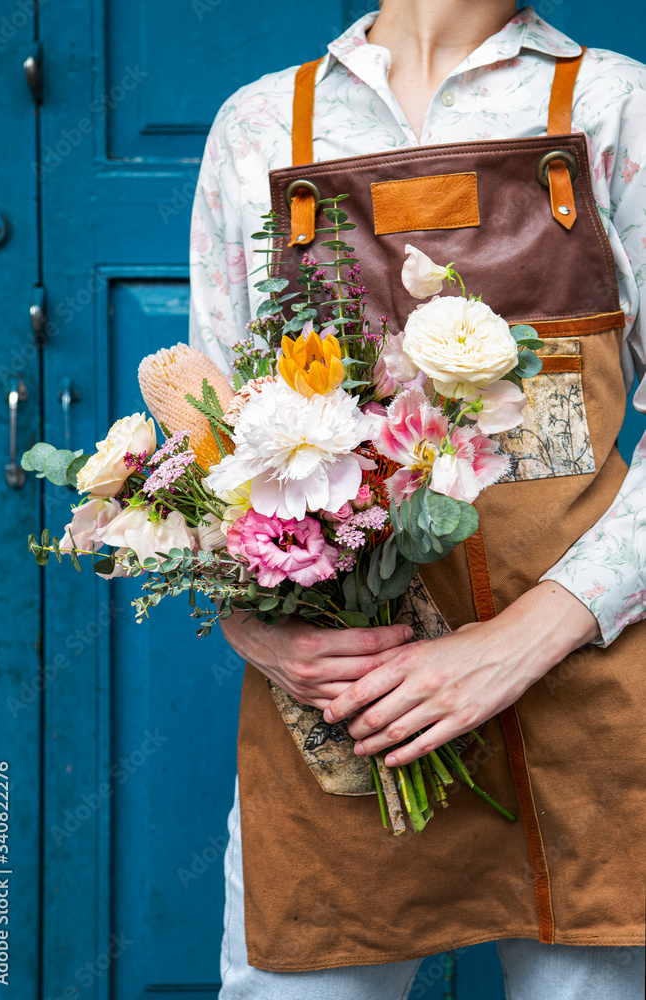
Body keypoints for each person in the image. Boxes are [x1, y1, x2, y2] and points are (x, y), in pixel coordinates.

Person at [189, 3, 646, 997]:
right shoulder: (263, 127)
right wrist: (255, 629)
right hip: (348, 722)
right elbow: (208, 452)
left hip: (590, 704)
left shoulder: (615, 107)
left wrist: (518, 639)